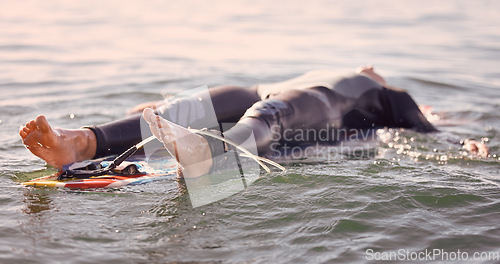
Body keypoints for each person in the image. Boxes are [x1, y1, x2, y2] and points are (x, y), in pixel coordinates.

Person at [19, 66, 489, 177]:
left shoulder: (390, 96)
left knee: (267, 111)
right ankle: (81, 142)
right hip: (273, 96)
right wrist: (460, 139)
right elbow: (435, 134)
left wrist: (454, 137)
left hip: (275, 96)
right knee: (190, 110)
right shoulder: (384, 101)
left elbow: (432, 131)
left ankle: (82, 141)